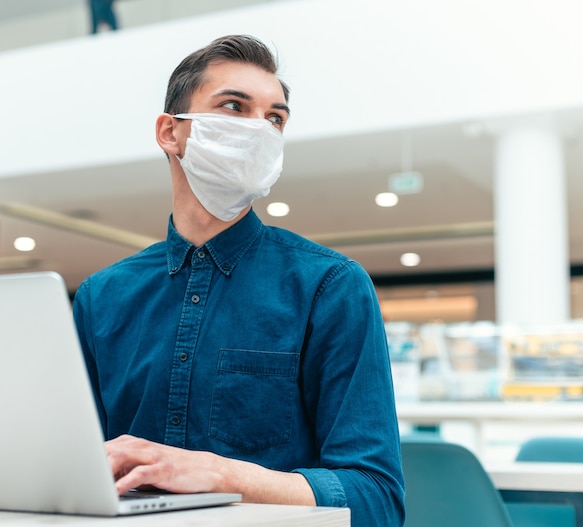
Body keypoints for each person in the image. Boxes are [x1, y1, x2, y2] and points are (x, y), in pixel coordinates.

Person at [72, 34, 405, 526]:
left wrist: (221, 475)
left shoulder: (330, 285)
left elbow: (376, 499)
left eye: (275, 118)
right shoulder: (102, 295)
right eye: (234, 107)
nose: (260, 130)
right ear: (170, 133)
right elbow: (76, 472)